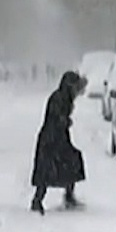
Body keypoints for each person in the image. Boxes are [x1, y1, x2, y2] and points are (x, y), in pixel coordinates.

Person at [30, 70, 87, 213]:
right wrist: (65, 121)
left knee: (71, 162)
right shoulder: (58, 98)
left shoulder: (64, 97)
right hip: (50, 139)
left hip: (58, 137)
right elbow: (55, 118)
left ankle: (68, 196)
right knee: (47, 170)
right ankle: (37, 200)